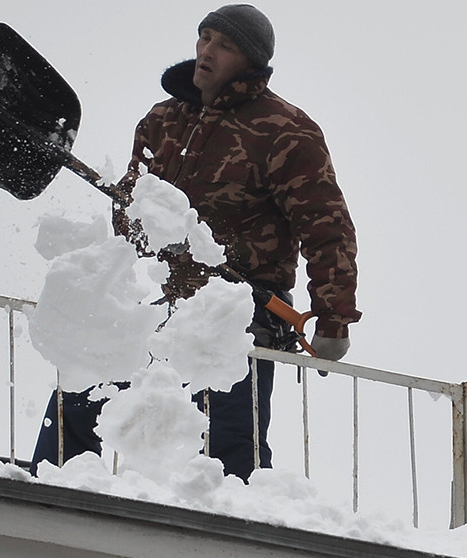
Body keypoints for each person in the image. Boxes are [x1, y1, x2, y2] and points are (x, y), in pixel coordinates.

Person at [31, 4, 360, 480]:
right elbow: (129, 215)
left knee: (227, 449)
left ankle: (235, 523)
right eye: (205, 37)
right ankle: (47, 488)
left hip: (235, 310)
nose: (207, 51)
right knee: (79, 400)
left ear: (251, 62)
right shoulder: (161, 121)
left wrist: (333, 317)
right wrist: (136, 219)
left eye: (224, 45)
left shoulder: (286, 131)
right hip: (150, 296)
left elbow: (326, 226)